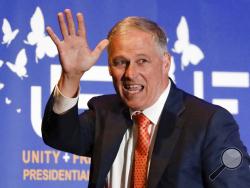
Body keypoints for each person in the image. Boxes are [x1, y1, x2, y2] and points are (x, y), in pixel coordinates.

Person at [42, 9, 250, 188]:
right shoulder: (105, 112)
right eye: (120, 62)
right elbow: (59, 136)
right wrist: (71, 76)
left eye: (142, 61)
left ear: (165, 63)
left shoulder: (208, 123)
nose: (130, 73)